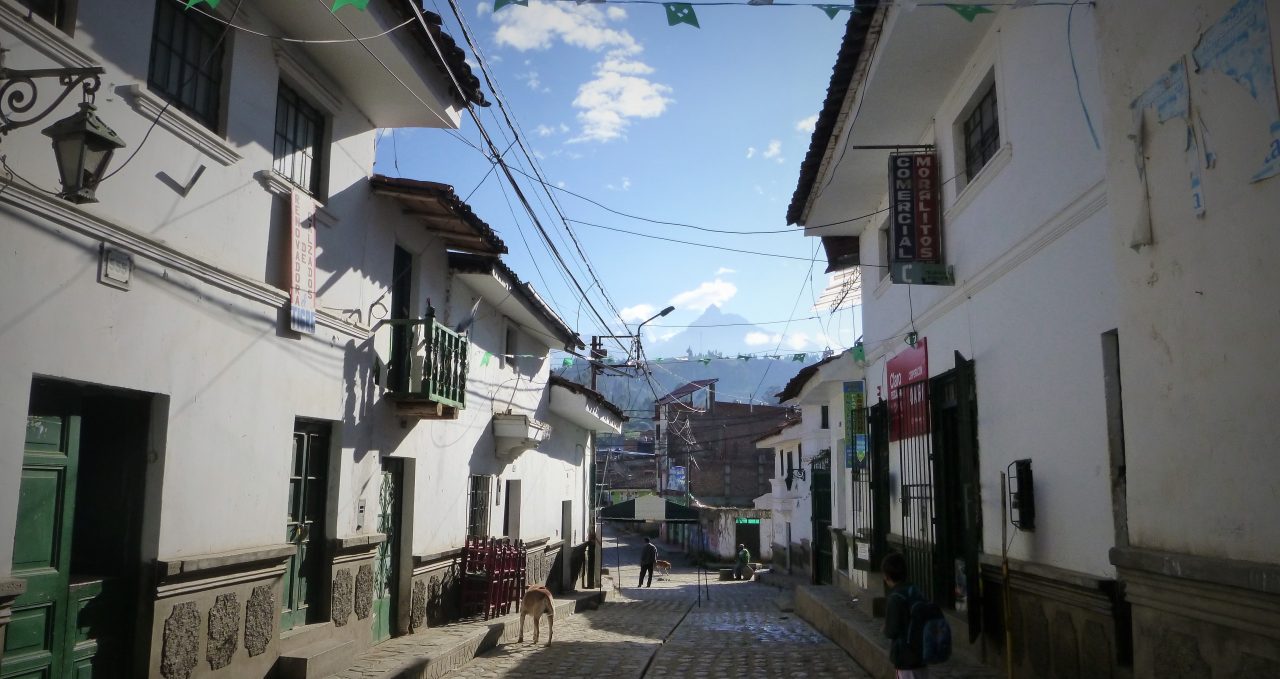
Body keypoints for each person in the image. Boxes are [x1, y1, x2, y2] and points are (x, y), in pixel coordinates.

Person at [882, 552, 928, 678]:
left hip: (905, 656)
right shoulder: (915, 591)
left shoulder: (895, 598)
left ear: (886, 576)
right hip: (921, 653)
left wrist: (885, 628)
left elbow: (891, 631)